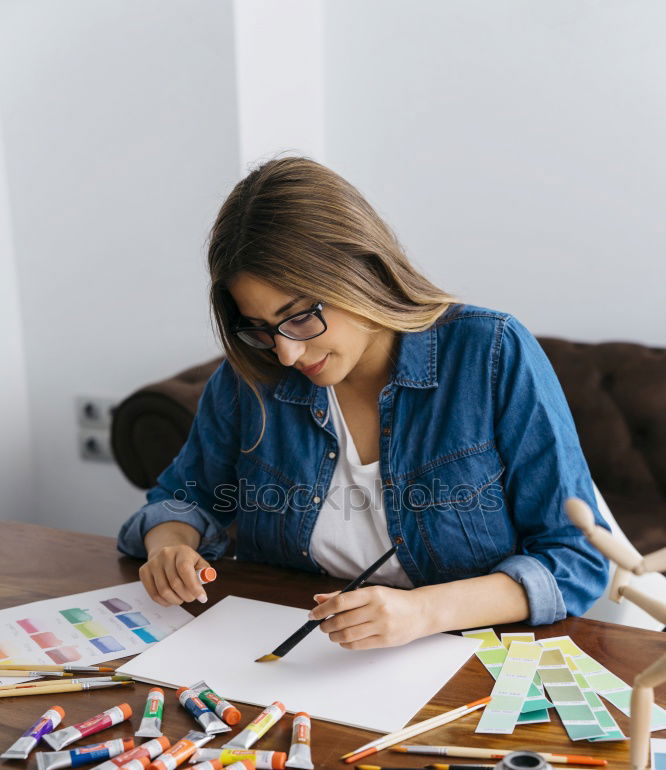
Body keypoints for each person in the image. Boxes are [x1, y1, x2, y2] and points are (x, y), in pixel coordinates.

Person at [118, 156, 608, 650]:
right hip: (287, 657)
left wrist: (424, 611)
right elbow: (181, 499)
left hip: (463, 659)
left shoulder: (491, 353)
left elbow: (577, 560)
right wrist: (170, 546)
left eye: (300, 317)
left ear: (361, 271)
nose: (285, 352)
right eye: (261, 328)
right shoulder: (251, 376)